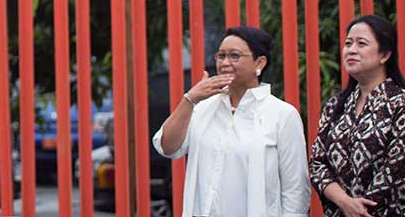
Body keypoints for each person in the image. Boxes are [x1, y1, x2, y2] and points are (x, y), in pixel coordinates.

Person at [152, 26, 311, 217]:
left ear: (259, 63)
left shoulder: (282, 114)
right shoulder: (203, 107)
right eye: (221, 56)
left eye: (234, 56)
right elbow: (166, 147)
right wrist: (190, 99)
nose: (225, 63)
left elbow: (296, 190)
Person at [309, 14, 405, 217]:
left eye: (362, 44)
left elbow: (397, 166)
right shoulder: (336, 105)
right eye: (348, 43)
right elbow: (317, 163)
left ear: (385, 54)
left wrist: (361, 209)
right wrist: (344, 202)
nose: (351, 50)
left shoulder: (399, 102)